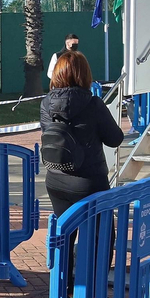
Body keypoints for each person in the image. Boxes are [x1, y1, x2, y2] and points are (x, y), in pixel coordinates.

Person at [39, 50, 123, 220]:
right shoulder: (93, 104)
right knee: (101, 238)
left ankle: (64, 248)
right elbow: (115, 139)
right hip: (89, 182)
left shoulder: (46, 103)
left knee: (64, 236)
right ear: (85, 74)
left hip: (55, 178)